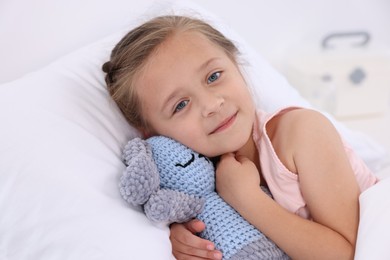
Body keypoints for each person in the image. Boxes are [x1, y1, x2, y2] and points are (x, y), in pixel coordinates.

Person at [102, 15, 378, 260]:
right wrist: (177, 238)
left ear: (236, 64)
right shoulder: (191, 182)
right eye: (180, 105)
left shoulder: (301, 132)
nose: (211, 104)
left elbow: (347, 253)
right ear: (152, 134)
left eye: (213, 76)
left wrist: (247, 199)